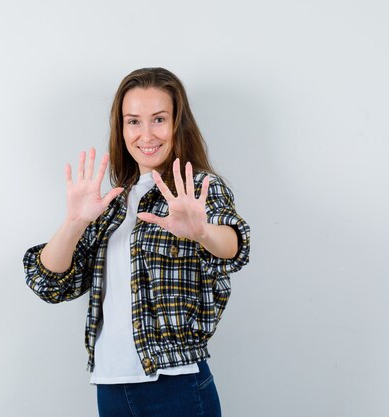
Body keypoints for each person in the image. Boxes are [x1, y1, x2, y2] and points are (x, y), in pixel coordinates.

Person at [23, 67, 250, 417]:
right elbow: (50, 284)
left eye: (159, 119)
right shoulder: (111, 204)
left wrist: (201, 231)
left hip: (175, 383)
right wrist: (75, 221)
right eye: (133, 121)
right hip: (111, 385)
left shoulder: (196, 189)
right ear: (121, 128)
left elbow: (233, 246)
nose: (146, 134)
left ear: (178, 124)